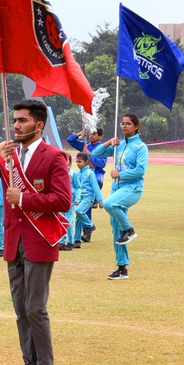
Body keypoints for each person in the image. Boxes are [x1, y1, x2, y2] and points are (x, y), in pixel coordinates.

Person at [0, 99, 71, 365]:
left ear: (38, 125)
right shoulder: (8, 156)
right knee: (20, 310)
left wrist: (23, 199)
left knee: (35, 307)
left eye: (22, 121)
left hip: (39, 239)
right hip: (14, 240)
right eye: (14, 120)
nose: (16, 126)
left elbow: (63, 201)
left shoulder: (54, 156)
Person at [92, 114, 148, 279]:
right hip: (117, 189)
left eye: (128, 124)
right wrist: (110, 142)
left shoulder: (141, 147)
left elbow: (140, 170)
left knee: (109, 204)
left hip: (133, 188)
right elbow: (96, 154)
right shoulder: (119, 144)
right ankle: (122, 269)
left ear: (136, 126)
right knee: (116, 227)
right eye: (122, 123)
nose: (124, 126)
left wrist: (120, 174)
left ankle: (129, 230)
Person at [70, 152, 103, 247]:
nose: (78, 164)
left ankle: (90, 225)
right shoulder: (76, 173)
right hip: (80, 198)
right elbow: (76, 187)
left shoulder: (90, 173)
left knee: (79, 211)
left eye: (80, 162)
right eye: (77, 162)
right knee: (78, 220)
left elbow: (96, 187)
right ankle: (77, 241)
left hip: (88, 197)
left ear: (86, 162)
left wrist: (100, 201)